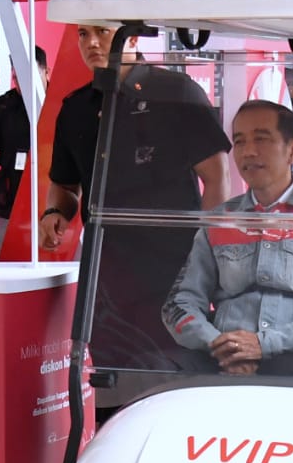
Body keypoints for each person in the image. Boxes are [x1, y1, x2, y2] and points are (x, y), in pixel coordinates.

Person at [40, 24, 230, 369]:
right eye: (83, 34)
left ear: (132, 37)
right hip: (107, 275)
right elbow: (66, 185)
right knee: (112, 378)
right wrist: (55, 212)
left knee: (178, 374)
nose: (92, 42)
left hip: (173, 270)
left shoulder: (176, 93)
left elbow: (217, 178)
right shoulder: (76, 107)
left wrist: (208, 255)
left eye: (102, 31)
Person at [162, 101, 293, 375]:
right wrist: (220, 345)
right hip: (222, 352)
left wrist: (265, 345)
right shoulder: (222, 219)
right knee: (157, 369)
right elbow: (181, 302)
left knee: (289, 373)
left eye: (261, 139)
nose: (248, 152)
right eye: (239, 142)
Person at [0, 46, 49, 259]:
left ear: (47, 72)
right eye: (17, 78)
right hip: (10, 211)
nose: (22, 85)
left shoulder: (64, 105)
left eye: (29, 76)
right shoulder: (0, 109)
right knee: (4, 271)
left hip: (55, 212)